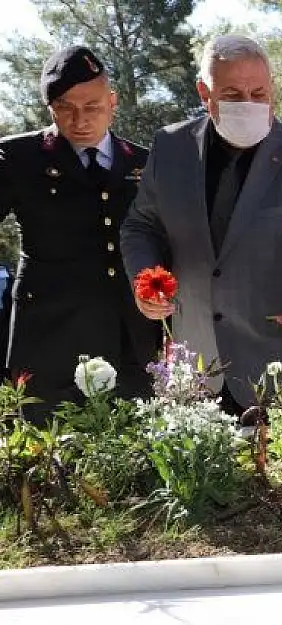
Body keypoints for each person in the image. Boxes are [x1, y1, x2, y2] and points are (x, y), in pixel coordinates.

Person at [121, 34, 282, 417]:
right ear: (204, 93)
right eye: (232, 94)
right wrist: (145, 277)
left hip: (278, 361)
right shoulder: (170, 147)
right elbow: (142, 225)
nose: (247, 104)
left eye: (259, 93)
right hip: (195, 363)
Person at [0, 46, 161, 422]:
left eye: (93, 106)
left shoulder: (145, 162)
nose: (81, 119)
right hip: (51, 333)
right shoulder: (19, 158)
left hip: (129, 336)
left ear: (113, 101)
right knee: (53, 454)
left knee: (133, 451)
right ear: (49, 107)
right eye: (66, 107)